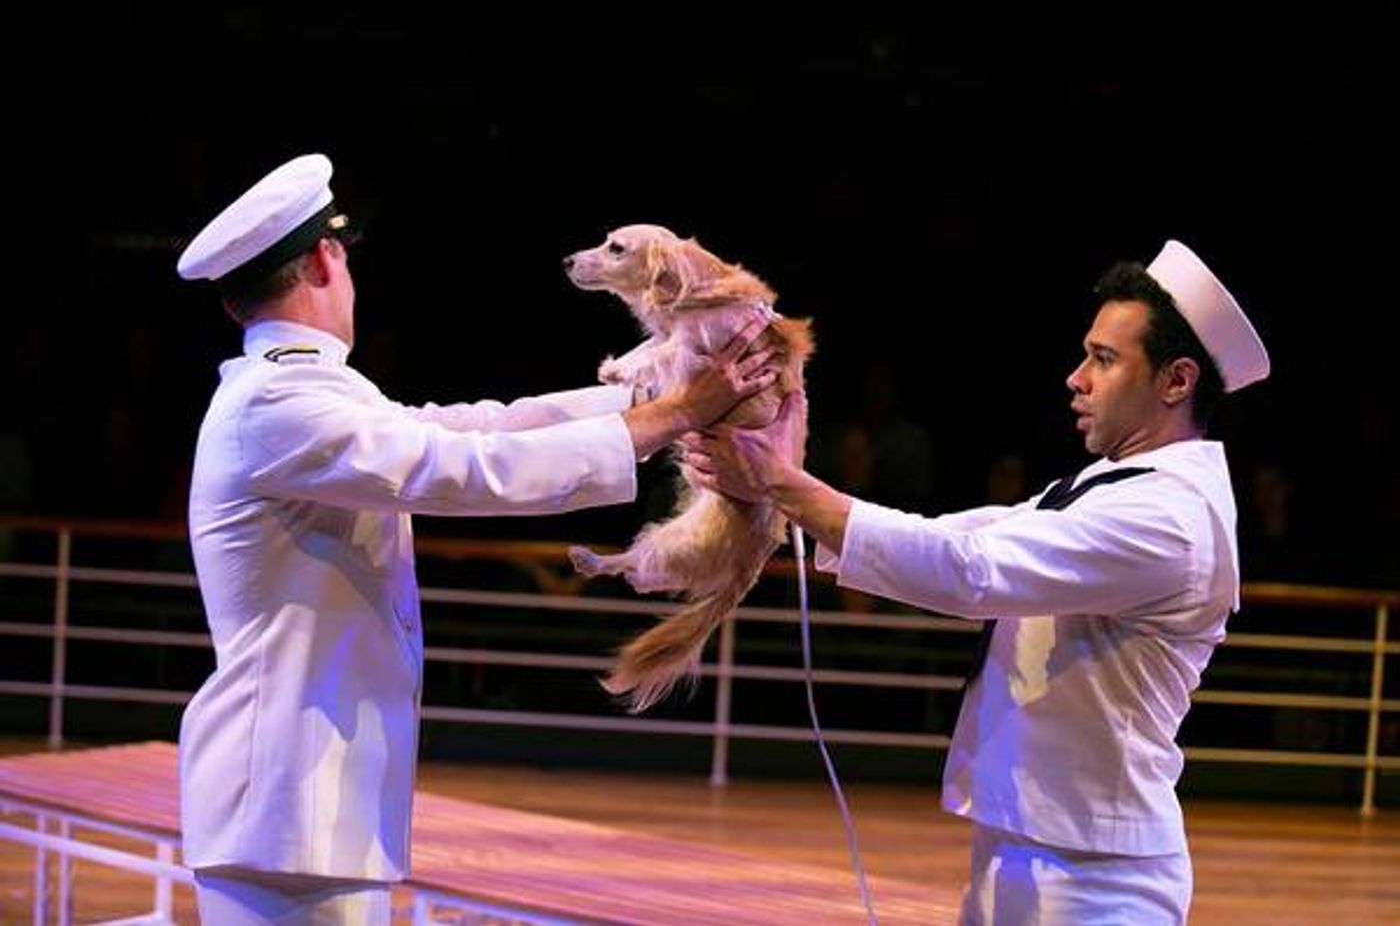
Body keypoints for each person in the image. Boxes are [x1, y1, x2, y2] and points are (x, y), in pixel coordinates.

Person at [173, 152, 775, 924]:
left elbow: (473, 427)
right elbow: (458, 469)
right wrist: (679, 412)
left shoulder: (305, 388)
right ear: (325, 259)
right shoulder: (279, 403)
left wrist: (653, 395)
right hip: (286, 806)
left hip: (307, 806)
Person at [681, 239, 1269, 925]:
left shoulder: (1168, 518)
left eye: (1104, 359)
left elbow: (970, 571)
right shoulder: (1121, 482)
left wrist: (780, 483)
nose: (1076, 378)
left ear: (1176, 382)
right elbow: (965, 537)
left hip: (1096, 881)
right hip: (1039, 851)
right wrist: (788, 489)